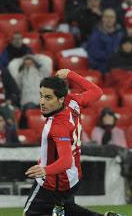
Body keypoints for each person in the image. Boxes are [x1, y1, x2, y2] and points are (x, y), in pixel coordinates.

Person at [23, 69, 122, 216]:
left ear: (61, 99)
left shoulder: (58, 126)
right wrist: (70, 74)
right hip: (73, 178)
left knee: (29, 213)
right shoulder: (73, 101)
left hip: (54, 182)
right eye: (41, 96)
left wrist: (45, 170)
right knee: (69, 209)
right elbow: (97, 91)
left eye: (48, 98)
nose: (42, 102)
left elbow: (65, 161)